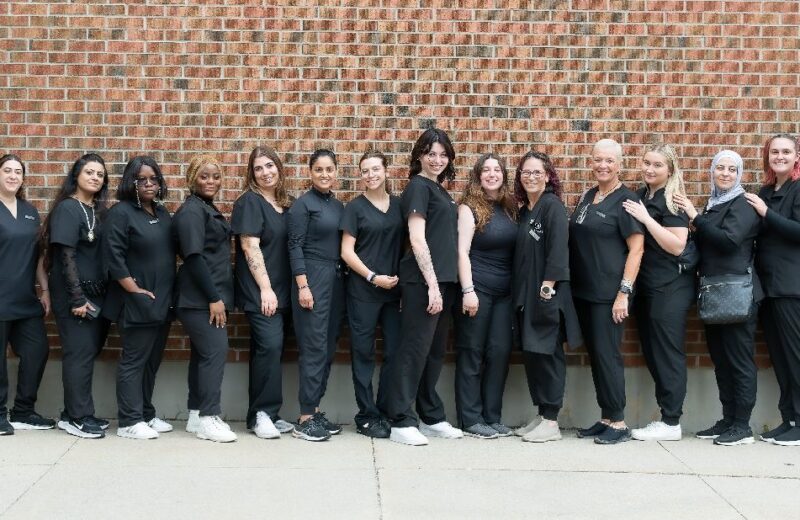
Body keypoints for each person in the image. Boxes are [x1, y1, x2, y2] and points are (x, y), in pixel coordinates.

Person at [675, 150, 762, 446]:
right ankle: (728, 420)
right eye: (720, 168)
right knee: (722, 361)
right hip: (714, 292)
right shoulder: (714, 204)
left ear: (739, 174)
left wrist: (695, 217)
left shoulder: (742, 204)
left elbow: (728, 241)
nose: (725, 173)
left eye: (731, 169)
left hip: (738, 293)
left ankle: (742, 426)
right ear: (712, 171)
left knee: (739, 361)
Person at [384, 128, 464, 446]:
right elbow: (417, 239)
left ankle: (430, 416)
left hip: (443, 281)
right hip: (423, 282)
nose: (437, 160)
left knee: (433, 353)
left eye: (443, 155)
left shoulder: (439, 189)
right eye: (431, 153)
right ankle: (401, 420)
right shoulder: (418, 187)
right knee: (413, 351)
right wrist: (431, 284)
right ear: (420, 155)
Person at [570, 138, 644, 445]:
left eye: (609, 161)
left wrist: (623, 293)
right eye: (598, 160)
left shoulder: (627, 201)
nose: (603, 165)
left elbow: (637, 249)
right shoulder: (589, 196)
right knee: (596, 355)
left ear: (619, 165)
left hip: (609, 295)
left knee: (608, 355)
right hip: (585, 293)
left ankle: (619, 422)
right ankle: (606, 417)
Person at [622, 144, 693, 442]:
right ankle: (667, 418)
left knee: (667, 353)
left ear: (670, 170)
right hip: (649, 287)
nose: (650, 169)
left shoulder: (673, 200)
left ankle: (671, 422)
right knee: (653, 352)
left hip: (671, 287)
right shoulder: (641, 195)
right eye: (647, 163)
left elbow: (677, 245)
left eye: (658, 165)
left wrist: (647, 218)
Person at [102, 156, 175, 440]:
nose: (148, 184)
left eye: (153, 179)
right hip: (136, 302)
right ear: (129, 182)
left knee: (151, 361)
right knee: (134, 361)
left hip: (162, 301)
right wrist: (134, 290)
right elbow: (114, 258)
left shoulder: (162, 212)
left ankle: (145, 413)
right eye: (141, 179)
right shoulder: (121, 213)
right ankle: (129, 421)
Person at [512, 151, 582, 443]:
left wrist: (546, 289)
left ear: (548, 176)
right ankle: (542, 415)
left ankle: (552, 422)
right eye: (526, 172)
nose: (531, 177)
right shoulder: (526, 211)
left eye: (537, 172)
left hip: (546, 294)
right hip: (526, 296)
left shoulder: (551, 206)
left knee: (549, 354)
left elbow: (557, 251)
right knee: (534, 354)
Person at [45, 153, 111, 439]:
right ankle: (77, 417)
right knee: (79, 354)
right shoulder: (67, 209)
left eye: (100, 174)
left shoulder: (97, 210)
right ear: (77, 175)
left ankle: (74, 412)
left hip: (95, 295)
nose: (95, 177)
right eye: (89, 172)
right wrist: (77, 298)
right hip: (75, 296)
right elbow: (65, 256)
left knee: (86, 353)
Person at [231, 146, 295, 439]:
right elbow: (249, 247)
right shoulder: (250, 202)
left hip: (284, 291)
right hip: (261, 292)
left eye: (270, 165)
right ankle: (261, 414)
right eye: (258, 168)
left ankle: (268, 413)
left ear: (279, 167)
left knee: (270, 351)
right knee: (269, 346)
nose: (265, 172)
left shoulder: (286, 205)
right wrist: (266, 289)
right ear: (251, 174)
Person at [340, 150, 404, 439]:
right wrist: (372, 277)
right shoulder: (355, 208)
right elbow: (346, 252)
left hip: (394, 292)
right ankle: (366, 415)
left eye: (375, 169)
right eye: (365, 171)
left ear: (386, 171)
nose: (370, 175)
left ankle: (385, 410)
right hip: (363, 291)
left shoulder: (400, 206)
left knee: (394, 352)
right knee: (363, 353)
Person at [454, 153, 517, 439]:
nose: (492, 174)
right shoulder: (469, 208)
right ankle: (470, 418)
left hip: (505, 294)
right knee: (472, 352)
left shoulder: (509, 207)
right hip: (477, 289)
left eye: (497, 170)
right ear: (478, 176)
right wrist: (468, 290)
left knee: (499, 352)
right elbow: (462, 252)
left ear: (503, 174)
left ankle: (492, 416)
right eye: (486, 170)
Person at [174, 154, 237, 443]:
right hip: (198, 298)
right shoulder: (192, 211)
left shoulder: (204, 207)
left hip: (204, 297)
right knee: (215, 352)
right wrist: (214, 297)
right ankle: (209, 417)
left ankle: (196, 414)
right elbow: (194, 257)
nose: (211, 181)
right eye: (204, 176)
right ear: (192, 179)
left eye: (216, 176)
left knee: (202, 355)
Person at [744, 134, 800, 446]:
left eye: (786, 151)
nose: (780, 156)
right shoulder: (767, 191)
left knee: (795, 357)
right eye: (774, 151)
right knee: (780, 357)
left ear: (796, 157)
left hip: (790, 287)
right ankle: (788, 418)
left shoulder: (797, 189)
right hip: (768, 287)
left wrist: (766, 213)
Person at [288, 149, 346, 442]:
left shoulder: (337, 205)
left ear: (336, 172)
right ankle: (304, 418)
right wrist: (303, 285)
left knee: (327, 347)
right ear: (309, 172)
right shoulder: (303, 206)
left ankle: (315, 408)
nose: (325, 174)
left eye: (329, 169)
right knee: (313, 348)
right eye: (319, 169)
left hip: (335, 281)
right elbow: (294, 246)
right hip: (312, 278)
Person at [0, 155, 55, 435]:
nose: (13, 176)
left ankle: (23, 411)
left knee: (37, 350)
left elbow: (39, 257)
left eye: (18, 172)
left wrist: (44, 290)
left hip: (24, 300)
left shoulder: (30, 211)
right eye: (7, 170)